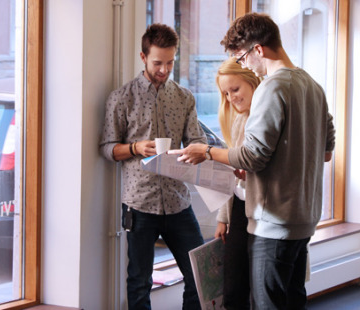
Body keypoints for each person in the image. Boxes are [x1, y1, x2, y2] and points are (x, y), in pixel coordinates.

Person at [169, 12, 335, 309]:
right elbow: (325, 151)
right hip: (304, 218)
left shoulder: (272, 87)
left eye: (242, 57)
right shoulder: (312, 86)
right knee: (292, 298)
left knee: (267, 303)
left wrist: (205, 151)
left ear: (258, 50)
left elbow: (252, 156)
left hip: (274, 221)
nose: (244, 64)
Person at [99, 23, 207, 310]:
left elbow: (197, 139)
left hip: (178, 202)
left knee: (199, 275)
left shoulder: (184, 97)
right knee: (139, 282)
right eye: (158, 62)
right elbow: (107, 148)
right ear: (143, 56)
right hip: (139, 205)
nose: (164, 69)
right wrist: (135, 148)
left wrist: (191, 151)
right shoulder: (121, 98)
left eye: (170, 62)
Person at [213, 58, 262, 310]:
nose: (231, 97)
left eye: (235, 89)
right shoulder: (237, 120)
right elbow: (232, 176)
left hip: (262, 211)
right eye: (226, 93)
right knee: (233, 285)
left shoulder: (262, 118)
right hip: (239, 211)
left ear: (253, 82)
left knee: (260, 286)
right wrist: (223, 217)